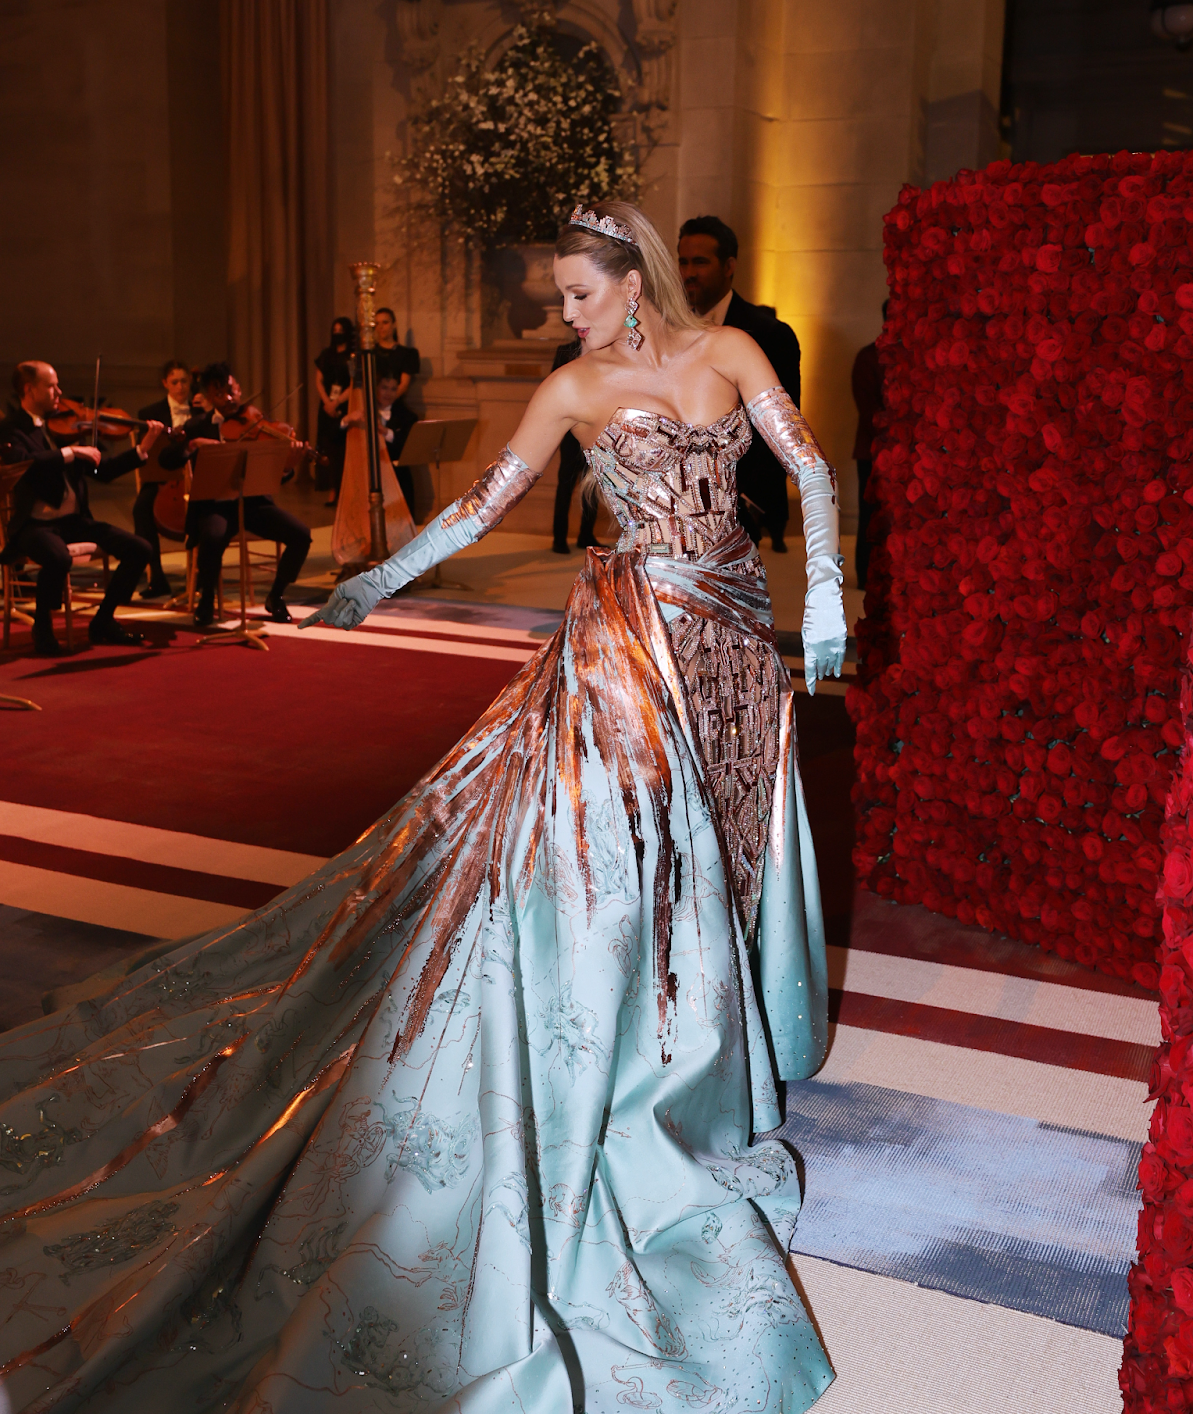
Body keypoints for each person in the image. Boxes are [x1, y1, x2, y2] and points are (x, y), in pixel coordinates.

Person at [0, 203, 844, 1411]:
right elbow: (480, 505)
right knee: (636, 838)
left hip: (733, 623)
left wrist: (823, 595)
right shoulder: (569, 388)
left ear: (632, 281)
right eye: (559, 295)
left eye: (578, 293)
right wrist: (381, 577)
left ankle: (708, 1027)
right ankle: (646, 1053)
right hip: (626, 636)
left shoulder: (730, 351)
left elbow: (806, 466)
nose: (564, 312)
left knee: (725, 824)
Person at [0, 360, 164, 655]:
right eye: (51, 386)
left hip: (73, 522)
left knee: (140, 549)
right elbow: (23, 463)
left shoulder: (62, 427)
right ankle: (42, 628)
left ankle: (103, 620)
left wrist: (143, 448)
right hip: (34, 526)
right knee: (57, 557)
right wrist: (70, 452)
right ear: (29, 389)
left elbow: (103, 471)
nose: (59, 392)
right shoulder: (11, 429)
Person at [678, 214, 801, 551]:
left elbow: (781, 428)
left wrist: (747, 500)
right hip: (672, 505)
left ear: (729, 266)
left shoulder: (769, 334)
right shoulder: (668, 329)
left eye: (700, 262)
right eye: (683, 262)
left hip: (736, 506)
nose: (689, 272)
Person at [182, 361, 312, 627]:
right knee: (212, 536)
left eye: (231, 391)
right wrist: (192, 446)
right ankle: (206, 600)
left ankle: (276, 596)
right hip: (215, 505)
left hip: (253, 505)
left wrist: (287, 466)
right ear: (209, 397)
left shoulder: (257, 422)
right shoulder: (196, 426)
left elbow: (273, 476)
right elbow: (167, 459)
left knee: (301, 535)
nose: (229, 398)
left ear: (239, 388)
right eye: (220, 394)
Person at [132, 357, 194, 599]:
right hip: (162, 479)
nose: (180, 387)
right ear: (165, 383)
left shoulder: (201, 409)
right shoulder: (150, 414)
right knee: (141, 509)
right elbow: (147, 453)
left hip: (196, 479)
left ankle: (200, 578)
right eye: (174, 382)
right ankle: (156, 577)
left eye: (184, 381)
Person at [549, 334, 599, 553]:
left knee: (593, 485)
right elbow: (553, 390)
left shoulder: (604, 351)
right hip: (570, 432)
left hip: (596, 430)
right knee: (565, 484)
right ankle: (559, 538)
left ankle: (586, 535)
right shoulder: (564, 351)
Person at [852, 301, 887, 590]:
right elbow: (868, 410)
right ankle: (865, 574)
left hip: (896, 449)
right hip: (873, 450)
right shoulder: (869, 357)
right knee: (869, 514)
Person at [374, 306, 420, 514]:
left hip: (394, 413)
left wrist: (387, 399)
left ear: (393, 325)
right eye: (377, 324)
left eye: (385, 322)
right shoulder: (370, 354)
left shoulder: (405, 354)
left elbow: (402, 384)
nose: (381, 327)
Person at [314, 316, 355, 505]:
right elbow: (318, 380)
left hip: (345, 406)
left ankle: (344, 490)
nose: (337, 334)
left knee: (343, 450)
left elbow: (354, 384)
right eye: (335, 330)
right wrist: (327, 403)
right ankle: (331, 489)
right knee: (328, 448)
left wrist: (336, 402)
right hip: (326, 406)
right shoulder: (326, 354)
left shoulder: (353, 356)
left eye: (341, 330)